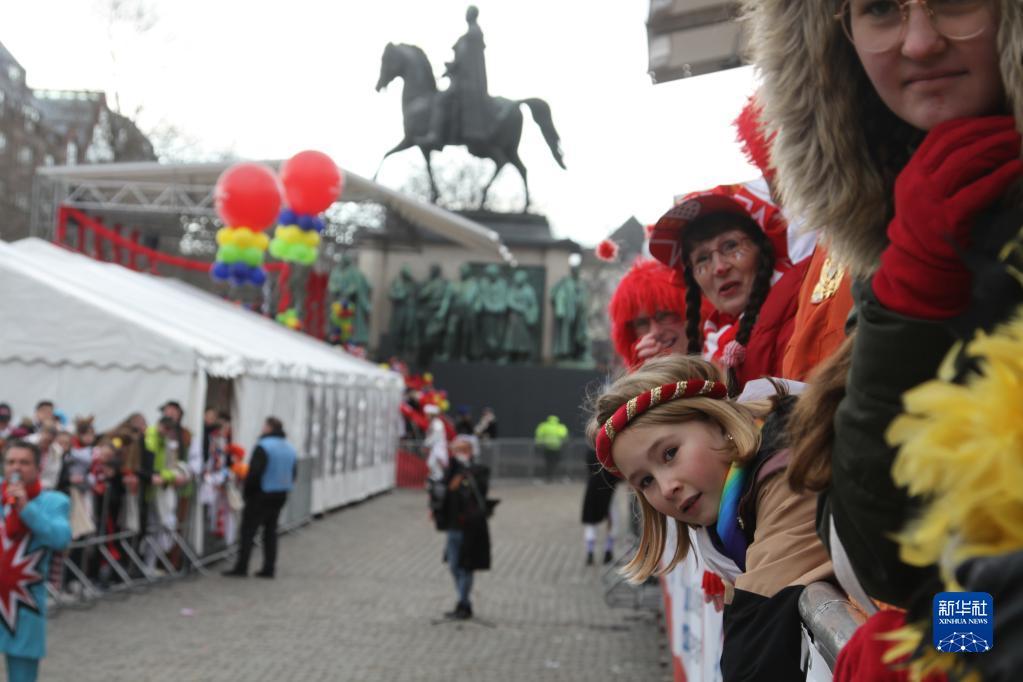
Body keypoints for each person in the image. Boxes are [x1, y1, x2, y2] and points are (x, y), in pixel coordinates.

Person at [744, 0, 1023, 676]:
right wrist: (905, 298)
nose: (920, 42)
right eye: (878, 9)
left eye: (956, 2)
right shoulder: (900, 225)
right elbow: (894, 560)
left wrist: (940, 646)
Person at [587, 355, 831, 679]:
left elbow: (758, 640)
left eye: (670, 453)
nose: (666, 487)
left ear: (718, 422)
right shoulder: (733, 514)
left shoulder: (790, 471)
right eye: (645, 481)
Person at [649, 182, 811, 395]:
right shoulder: (712, 343)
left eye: (731, 246)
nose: (719, 268)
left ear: (763, 249)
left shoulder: (802, 312)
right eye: (702, 259)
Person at [1, 440, 71, 682]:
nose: (16, 468)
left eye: (24, 462)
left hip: (24, 604)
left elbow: (60, 538)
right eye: (10, 462)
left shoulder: (53, 501)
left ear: (37, 467)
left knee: (22, 675)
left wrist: (26, 509)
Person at [223, 417, 297, 579]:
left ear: (269, 428)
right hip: (281, 493)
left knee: (248, 531)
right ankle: (269, 567)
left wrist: (247, 493)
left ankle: (242, 566)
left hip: (261, 493)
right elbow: (293, 473)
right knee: (270, 532)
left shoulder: (263, 447)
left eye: (264, 426)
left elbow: (254, 473)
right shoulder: (290, 448)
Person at [435, 439, 492, 620]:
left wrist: (464, 478)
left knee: (465, 566)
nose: (456, 453)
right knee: (453, 565)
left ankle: (463, 603)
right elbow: (442, 490)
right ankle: (463, 601)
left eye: (460, 450)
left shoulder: (477, 471)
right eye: (454, 450)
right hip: (453, 525)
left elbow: (480, 492)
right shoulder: (451, 470)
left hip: (469, 527)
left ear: (468, 451)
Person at [607, 258, 690, 370]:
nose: (655, 332)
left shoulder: (720, 358)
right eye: (642, 323)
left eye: (664, 316)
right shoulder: (636, 386)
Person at [580, 448, 619, 565]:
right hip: (607, 489)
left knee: (591, 521)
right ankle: (608, 551)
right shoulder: (610, 451)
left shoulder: (591, 451)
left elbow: (589, 467)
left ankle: (591, 552)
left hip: (592, 488)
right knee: (613, 520)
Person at [533, 415, 568, 482]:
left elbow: (539, 435)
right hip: (557, 448)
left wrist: (538, 445)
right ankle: (553, 476)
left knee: (548, 463)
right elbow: (564, 436)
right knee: (555, 462)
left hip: (547, 448)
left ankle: (548, 476)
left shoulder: (544, 426)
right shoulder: (560, 427)